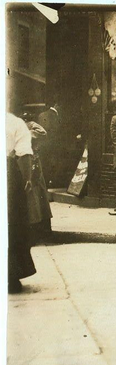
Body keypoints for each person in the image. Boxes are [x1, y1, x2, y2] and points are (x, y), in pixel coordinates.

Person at [6, 112, 37, 293]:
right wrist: (27, 180)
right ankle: (11, 274)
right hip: (8, 173)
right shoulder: (14, 122)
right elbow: (25, 155)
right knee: (13, 223)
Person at [22, 113, 53, 241]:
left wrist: (26, 133)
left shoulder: (31, 125)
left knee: (38, 193)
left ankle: (42, 227)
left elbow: (43, 133)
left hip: (33, 162)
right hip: (23, 161)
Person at [37, 101, 61, 186]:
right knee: (53, 164)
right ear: (56, 105)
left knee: (43, 164)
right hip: (53, 146)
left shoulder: (41, 115)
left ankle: (44, 183)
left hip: (42, 145)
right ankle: (52, 182)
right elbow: (57, 132)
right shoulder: (56, 116)